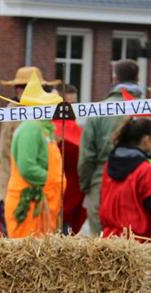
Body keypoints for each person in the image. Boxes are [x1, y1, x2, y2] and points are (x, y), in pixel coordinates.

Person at [78, 59, 151, 235]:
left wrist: (86, 186)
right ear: (138, 78)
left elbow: (86, 157)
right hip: (140, 187)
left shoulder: (97, 110)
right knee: (138, 242)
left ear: (114, 77)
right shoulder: (150, 107)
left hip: (102, 185)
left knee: (100, 245)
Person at [0, 67, 59, 236]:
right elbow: (24, 163)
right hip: (22, 194)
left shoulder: (37, 115)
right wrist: (54, 180)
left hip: (35, 193)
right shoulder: (20, 117)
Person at [99, 117, 151, 239]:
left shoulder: (109, 165)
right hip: (136, 240)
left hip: (110, 238)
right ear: (146, 140)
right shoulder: (146, 169)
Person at [5, 117, 64, 238]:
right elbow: (27, 167)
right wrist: (54, 180)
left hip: (41, 206)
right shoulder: (30, 129)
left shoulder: (44, 129)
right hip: (28, 207)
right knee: (27, 246)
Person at [53, 84, 87, 234]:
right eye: (69, 104)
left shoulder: (78, 131)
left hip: (73, 193)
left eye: (75, 104)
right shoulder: (52, 129)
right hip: (58, 191)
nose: (73, 108)